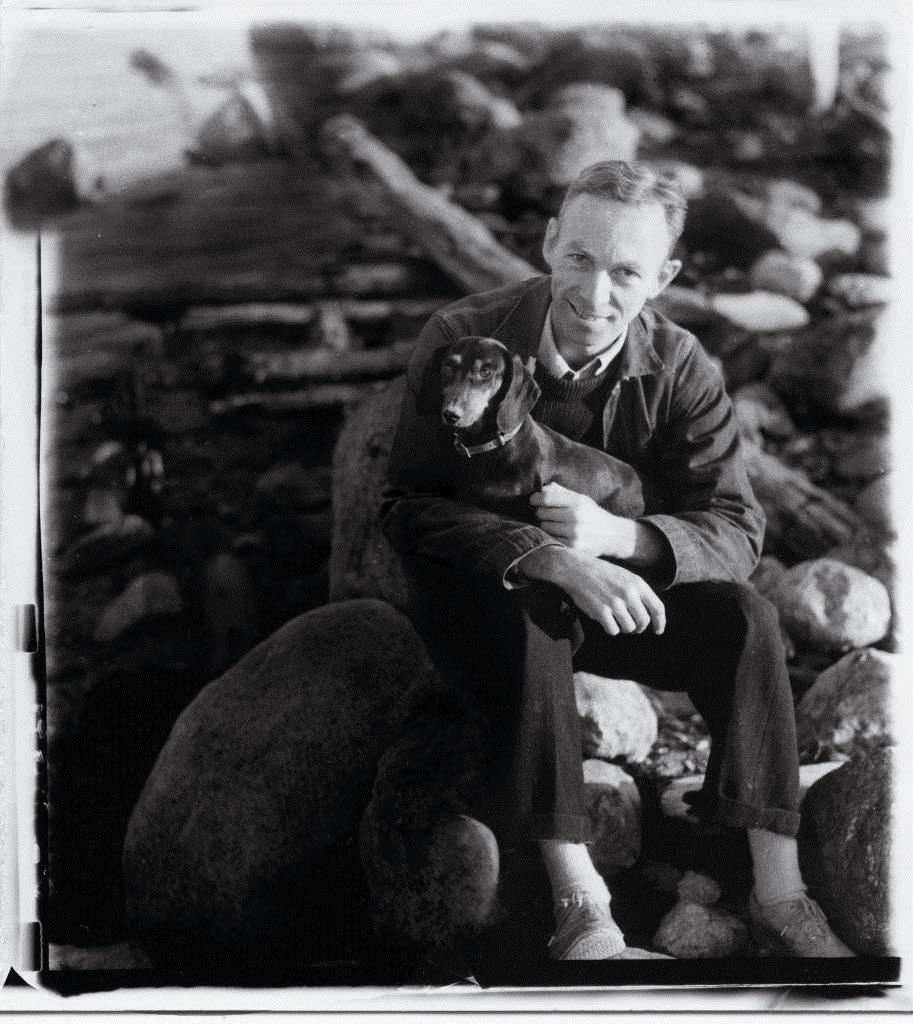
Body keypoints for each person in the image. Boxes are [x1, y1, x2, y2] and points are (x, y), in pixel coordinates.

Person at [380, 161, 853, 960]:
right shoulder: (463, 338)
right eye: (579, 258)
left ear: (662, 278)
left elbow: (737, 527)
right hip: (488, 602)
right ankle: (579, 899)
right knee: (531, 617)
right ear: (548, 243)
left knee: (746, 619)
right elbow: (405, 506)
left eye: (626, 272)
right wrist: (546, 557)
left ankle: (778, 890)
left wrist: (621, 540)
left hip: (616, 594)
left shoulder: (679, 364)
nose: (594, 294)